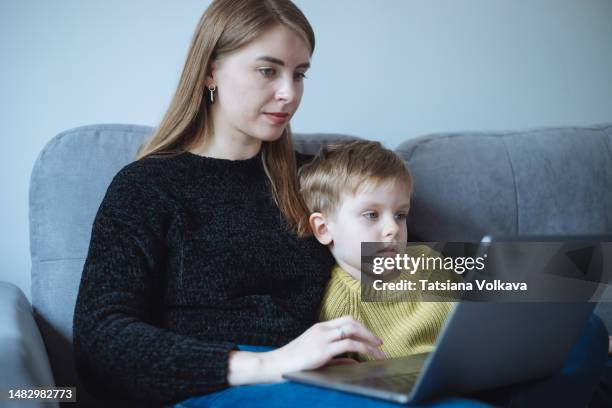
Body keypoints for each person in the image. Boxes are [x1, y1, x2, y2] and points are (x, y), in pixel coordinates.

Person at [72, 0, 608, 407]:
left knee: (582, 334)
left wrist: (562, 274)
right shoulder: (146, 186)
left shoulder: (312, 177)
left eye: (300, 73)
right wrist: (270, 363)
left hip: (341, 369)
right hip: (228, 379)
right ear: (210, 70)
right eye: (268, 70)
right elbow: (101, 341)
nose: (290, 93)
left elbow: (397, 266)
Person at [298, 140, 455, 361]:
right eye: (371, 215)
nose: (392, 229)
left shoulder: (429, 263)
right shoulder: (339, 303)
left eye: (400, 215)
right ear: (324, 229)